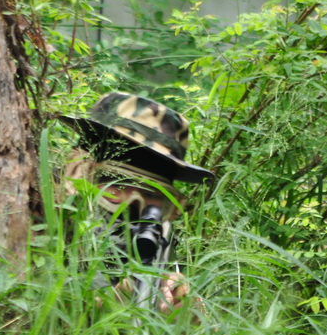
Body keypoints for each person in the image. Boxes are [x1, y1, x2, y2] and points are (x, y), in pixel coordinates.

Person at [62, 92, 216, 314]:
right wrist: (110, 303)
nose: (133, 205)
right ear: (77, 174)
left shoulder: (160, 242)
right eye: (116, 184)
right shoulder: (37, 226)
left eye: (153, 195)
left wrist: (187, 319)